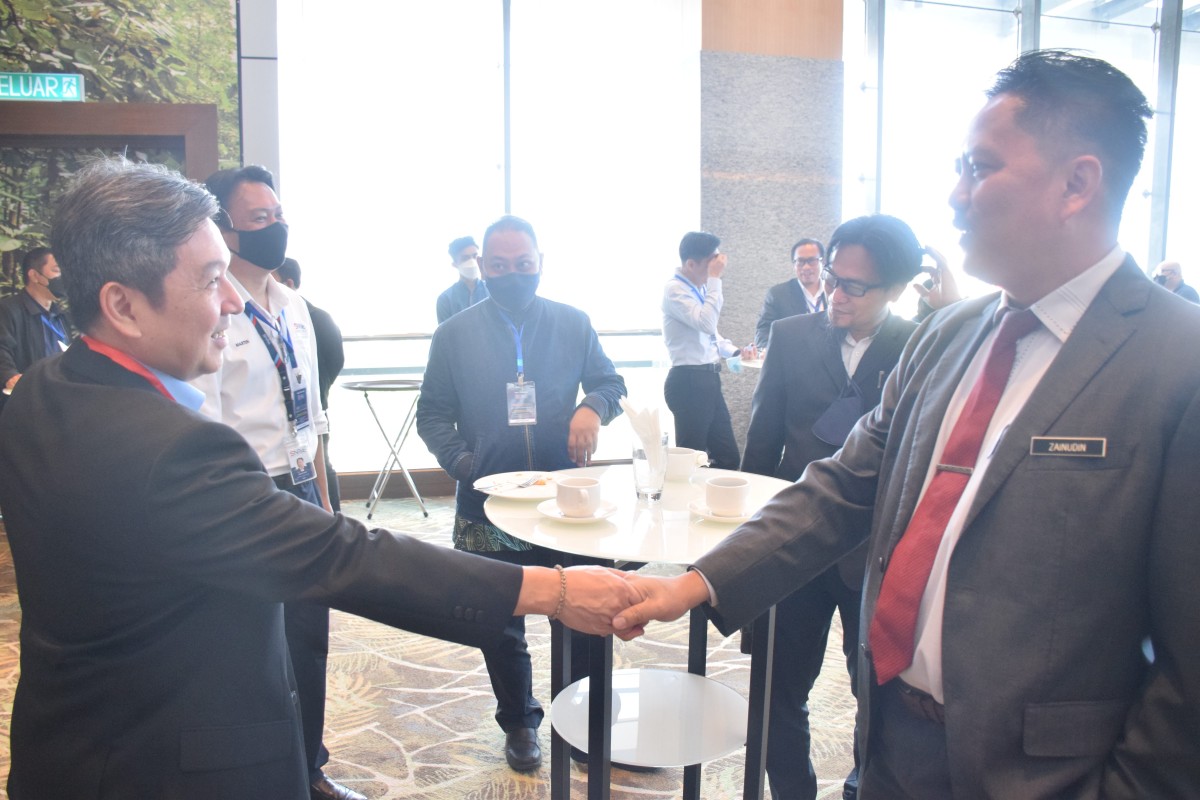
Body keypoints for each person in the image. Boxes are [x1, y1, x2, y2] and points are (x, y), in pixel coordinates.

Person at [614, 50, 1200, 799]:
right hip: (891, 742)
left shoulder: (1178, 362)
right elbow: (843, 486)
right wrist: (697, 582)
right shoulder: (948, 336)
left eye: (980, 169)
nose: (954, 196)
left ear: (1077, 184)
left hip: (1046, 777)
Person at [0, 159, 636, 800]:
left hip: (69, 744)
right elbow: (347, 558)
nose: (232, 301)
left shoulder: (42, 390)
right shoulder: (171, 448)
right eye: (212, 279)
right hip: (161, 764)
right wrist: (553, 591)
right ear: (123, 305)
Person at [416, 214, 627, 772]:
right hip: (488, 505)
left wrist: (592, 407)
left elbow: (611, 382)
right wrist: (466, 465)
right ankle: (519, 721)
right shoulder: (453, 334)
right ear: (482, 267)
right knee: (500, 621)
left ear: (540, 264)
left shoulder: (573, 323)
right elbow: (431, 414)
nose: (513, 274)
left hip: (567, 503)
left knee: (581, 613)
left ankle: (582, 720)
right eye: (500, 265)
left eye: (523, 264)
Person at [741, 215, 924, 800]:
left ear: (896, 289)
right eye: (831, 278)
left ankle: (862, 785)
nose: (835, 295)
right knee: (777, 689)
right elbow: (762, 446)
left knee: (876, 689)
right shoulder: (791, 336)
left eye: (854, 287)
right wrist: (749, 547)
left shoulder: (922, 345)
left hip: (878, 553)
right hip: (793, 543)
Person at [189, 166, 345, 800]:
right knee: (252, 647)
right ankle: (259, 776)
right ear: (223, 228)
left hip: (303, 485)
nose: (276, 227)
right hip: (244, 494)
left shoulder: (294, 305)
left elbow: (312, 414)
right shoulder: (209, 308)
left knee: (309, 639)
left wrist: (326, 501)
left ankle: (309, 768)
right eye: (259, 219)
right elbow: (203, 423)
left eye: (278, 215)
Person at [662, 231, 755, 470]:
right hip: (689, 381)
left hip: (708, 380)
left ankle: (710, 494)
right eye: (711, 264)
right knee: (691, 461)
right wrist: (715, 279)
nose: (717, 268)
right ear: (691, 264)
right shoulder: (674, 290)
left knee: (728, 458)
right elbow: (706, 323)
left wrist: (736, 352)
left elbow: (712, 335)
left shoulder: (700, 288)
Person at [274, 257, 347, 511]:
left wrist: (319, 391)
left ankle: (333, 513)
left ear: (288, 283)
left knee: (323, 464)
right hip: (287, 428)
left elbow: (335, 360)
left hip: (312, 411)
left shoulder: (315, 316)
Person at [0, 247, 70, 413]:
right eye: (56, 271)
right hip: (22, 406)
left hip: (56, 401)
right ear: (34, 275)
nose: (62, 277)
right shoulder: (8, 310)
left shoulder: (60, 315)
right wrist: (10, 375)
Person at [754, 237, 827, 350]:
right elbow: (763, 332)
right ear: (794, 265)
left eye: (812, 260)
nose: (806, 267)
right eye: (800, 261)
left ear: (823, 262)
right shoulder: (777, 295)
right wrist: (770, 351)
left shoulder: (834, 292)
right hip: (792, 358)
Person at [436, 235, 489, 323]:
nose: (472, 261)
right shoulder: (446, 299)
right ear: (455, 264)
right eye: (465, 258)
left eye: (475, 256)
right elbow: (445, 331)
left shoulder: (491, 291)